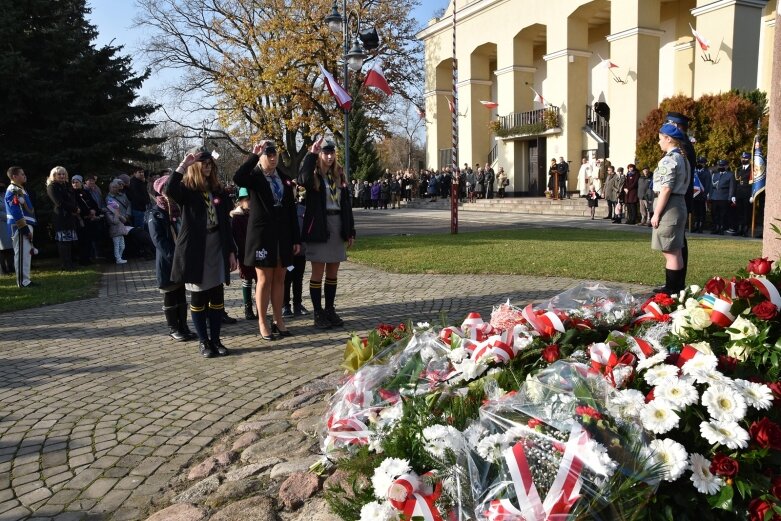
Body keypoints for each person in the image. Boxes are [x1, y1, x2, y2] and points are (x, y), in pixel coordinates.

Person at [166, 146, 238, 358]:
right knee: (198, 297)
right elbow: (170, 189)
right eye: (204, 165)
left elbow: (226, 222)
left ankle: (216, 340)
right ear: (196, 167)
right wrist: (182, 165)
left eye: (210, 165)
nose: (208, 168)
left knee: (217, 296)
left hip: (217, 245)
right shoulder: (187, 190)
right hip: (196, 249)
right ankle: (204, 342)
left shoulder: (217, 190)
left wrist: (232, 251)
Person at [233, 140, 301, 340]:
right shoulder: (254, 177)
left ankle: (278, 319)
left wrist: (296, 238)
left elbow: (291, 210)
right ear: (261, 157)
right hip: (262, 236)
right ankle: (263, 321)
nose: (272, 157)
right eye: (267, 154)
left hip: (283, 236)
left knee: (280, 278)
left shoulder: (285, 179)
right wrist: (253, 155)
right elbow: (238, 177)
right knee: (264, 279)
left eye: (274, 154)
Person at [298, 137, 355, 329]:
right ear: (320, 154)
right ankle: (318, 312)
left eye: (332, 153)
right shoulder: (314, 175)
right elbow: (302, 179)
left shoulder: (339, 175)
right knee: (318, 272)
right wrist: (310, 154)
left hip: (337, 223)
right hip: (319, 226)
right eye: (325, 153)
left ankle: (330, 309)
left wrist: (350, 231)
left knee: (333, 272)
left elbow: (346, 205)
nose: (329, 157)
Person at [146, 174, 197, 342]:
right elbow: (158, 240)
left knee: (181, 293)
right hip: (167, 261)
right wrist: (173, 256)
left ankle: (184, 326)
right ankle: (173, 328)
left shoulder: (179, 210)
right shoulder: (156, 213)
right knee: (170, 293)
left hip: (181, 259)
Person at [651, 123, 691, 295]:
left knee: (671, 252)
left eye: (661, 139)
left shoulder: (669, 159)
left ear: (668, 139)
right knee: (675, 251)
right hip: (678, 203)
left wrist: (657, 213)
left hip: (669, 206)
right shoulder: (682, 158)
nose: (659, 143)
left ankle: (672, 290)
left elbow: (666, 188)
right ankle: (676, 288)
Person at [4, 167, 37, 287]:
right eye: (21, 174)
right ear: (14, 176)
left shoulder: (20, 189)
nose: (24, 176)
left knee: (26, 254)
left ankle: (26, 280)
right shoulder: (13, 189)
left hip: (25, 224)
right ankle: (23, 282)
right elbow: (15, 210)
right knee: (22, 254)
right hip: (20, 225)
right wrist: (24, 228)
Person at [229, 187, 258, 320]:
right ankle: (248, 308)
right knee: (247, 279)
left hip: (259, 251)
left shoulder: (257, 213)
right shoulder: (237, 217)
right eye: (246, 200)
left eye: (251, 199)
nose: (249, 202)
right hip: (245, 252)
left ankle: (260, 306)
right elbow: (238, 238)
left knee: (260, 280)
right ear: (240, 201)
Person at [282, 183, 308, 318]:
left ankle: (297, 303)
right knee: (287, 278)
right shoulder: (282, 208)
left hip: (301, 251)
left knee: (298, 278)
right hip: (288, 252)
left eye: (293, 189)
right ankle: (285, 305)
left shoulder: (302, 208)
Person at [46, 166, 79, 270]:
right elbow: (59, 203)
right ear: (54, 175)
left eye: (63, 174)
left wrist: (75, 208)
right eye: (59, 174)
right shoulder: (52, 187)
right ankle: (65, 264)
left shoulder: (65, 186)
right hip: (61, 217)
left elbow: (72, 199)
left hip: (70, 216)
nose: (62, 176)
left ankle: (70, 263)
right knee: (63, 242)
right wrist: (74, 209)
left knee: (68, 242)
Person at [72, 175, 103, 265]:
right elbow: (77, 206)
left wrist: (94, 210)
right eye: (73, 182)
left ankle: (88, 258)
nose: (75, 184)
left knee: (89, 240)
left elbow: (94, 203)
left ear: (81, 183)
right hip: (81, 219)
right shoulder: (72, 193)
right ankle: (83, 260)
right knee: (82, 241)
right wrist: (88, 212)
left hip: (90, 219)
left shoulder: (85, 192)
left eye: (77, 182)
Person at [709, 159, 735, 235]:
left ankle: (722, 228)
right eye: (719, 165)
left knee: (723, 215)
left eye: (722, 165)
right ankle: (716, 227)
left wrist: (730, 197)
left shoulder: (730, 175)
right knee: (714, 213)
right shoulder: (715, 174)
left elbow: (731, 187)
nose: (721, 167)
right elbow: (711, 186)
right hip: (714, 197)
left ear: (726, 166)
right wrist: (710, 196)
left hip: (724, 197)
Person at [732, 151, 752, 236]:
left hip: (748, 193)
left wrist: (752, 195)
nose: (744, 159)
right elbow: (735, 183)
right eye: (742, 158)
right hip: (739, 193)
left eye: (746, 158)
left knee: (746, 213)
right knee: (739, 213)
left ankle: (746, 230)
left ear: (749, 159)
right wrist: (733, 195)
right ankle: (739, 229)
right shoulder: (738, 169)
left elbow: (753, 183)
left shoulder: (752, 170)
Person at [691, 157, 712, 233]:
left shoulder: (706, 172)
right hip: (694, 195)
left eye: (701, 163)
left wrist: (705, 194)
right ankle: (695, 225)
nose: (700, 164)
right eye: (699, 162)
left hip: (702, 195)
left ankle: (700, 227)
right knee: (695, 212)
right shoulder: (694, 172)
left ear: (704, 164)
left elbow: (708, 184)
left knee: (701, 212)